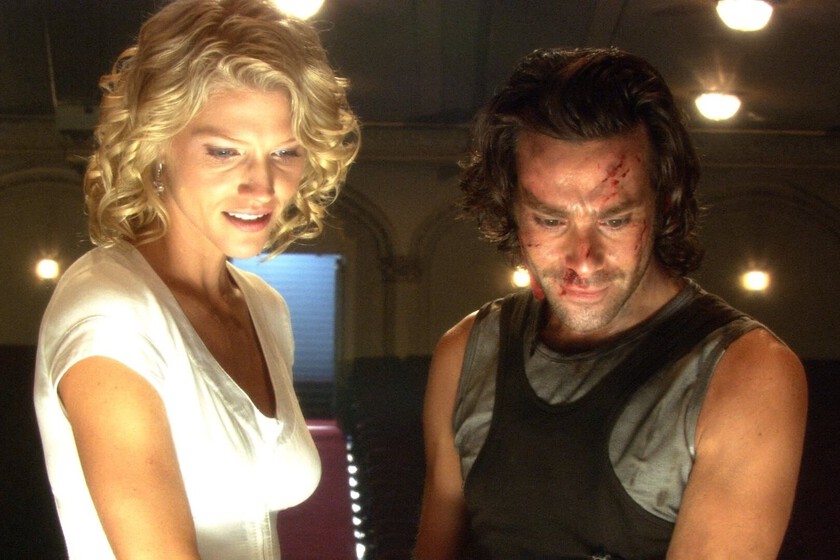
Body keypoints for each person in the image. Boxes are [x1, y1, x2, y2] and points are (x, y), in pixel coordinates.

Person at [415, 47, 807, 559]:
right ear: (511, 210)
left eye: (615, 220)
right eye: (550, 220)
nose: (584, 259)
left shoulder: (748, 373)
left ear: (664, 204)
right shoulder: (465, 352)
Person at [33, 0, 359, 558]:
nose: (262, 185)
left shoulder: (264, 307)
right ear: (157, 143)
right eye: (224, 151)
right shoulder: (111, 313)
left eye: (285, 151)